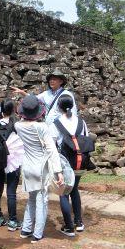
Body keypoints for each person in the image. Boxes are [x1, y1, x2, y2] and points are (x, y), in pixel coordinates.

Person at [15, 95, 64, 242]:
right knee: (42, 200)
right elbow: (51, 150)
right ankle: (37, 233)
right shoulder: (42, 127)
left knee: (31, 198)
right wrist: (58, 171)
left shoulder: (18, 126)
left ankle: (25, 229)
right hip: (40, 168)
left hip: (27, 167)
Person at [49, 95, 88, 236]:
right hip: (80, 161)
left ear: (58, 107)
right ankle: (79, 222)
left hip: (65, 162)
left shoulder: (56, 123)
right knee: (75, 190)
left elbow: (52, 145)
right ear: (72, 106)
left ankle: (69, 226)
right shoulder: (81, 122)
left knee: (64, 193)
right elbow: (85, 138)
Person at [0, 100, 21, 231]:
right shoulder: (16, 126)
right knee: (11, 192)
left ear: (1, 111)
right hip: (13, 160)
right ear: (13, 111)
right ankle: (13, 220)